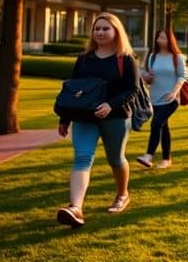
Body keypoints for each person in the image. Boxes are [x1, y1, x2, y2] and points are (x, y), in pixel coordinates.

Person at [56, 13, 140, 228]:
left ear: (116, 32)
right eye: (97, 28)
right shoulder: (84, 59)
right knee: (82, 159)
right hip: (84, 117)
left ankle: (122, 194)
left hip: (116, 117)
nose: (100, 32)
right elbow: (73, 89)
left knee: (116, 159)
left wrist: (110, 104)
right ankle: (76, 208)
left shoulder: (126, 59)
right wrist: (65, 118)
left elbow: (133, 89)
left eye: (105, 28)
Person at [137, 27, 186, 169]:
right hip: (154, 98)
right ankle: (166, 159)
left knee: (156, 124)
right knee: (163, 127)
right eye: (159, 37)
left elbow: (182, 77)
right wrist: (147, 77)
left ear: (170, 39)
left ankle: (148, 156)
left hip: (171, 99)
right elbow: (148, 78)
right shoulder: (153, 56)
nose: (160, 40)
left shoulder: (177, 57)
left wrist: (174, 92)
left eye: (163, 37)